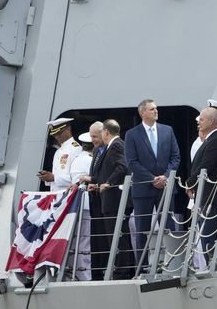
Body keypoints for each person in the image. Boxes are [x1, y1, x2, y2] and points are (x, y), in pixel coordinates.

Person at [124, 99, 181, 268]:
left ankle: (173, 263)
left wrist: (165, 176)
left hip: (165, 185)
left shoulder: (167, 131)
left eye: (156, 108)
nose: (156, 111)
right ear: (142, 113)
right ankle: (142, 266)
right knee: (142, 229)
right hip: (143, 187)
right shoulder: (132, 134)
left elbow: (175, 157)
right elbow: (132, 162)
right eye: (151, 109)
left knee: (169, 226)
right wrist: (152, 178)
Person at [37, 118, 91, 280]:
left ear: (67, 130)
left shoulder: (75, 149)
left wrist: (54, 177)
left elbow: (75, 179)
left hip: (73, 200)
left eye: (59, 133)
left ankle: (82, 275)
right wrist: (50, 178)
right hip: (61, 202)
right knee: (64, 241)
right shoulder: (59, 151)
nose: (56, 137)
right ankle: (68, 274)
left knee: (78, 241)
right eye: (55, 134)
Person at [82, 120, 133, 279]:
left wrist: (108, 183)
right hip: (110, 199)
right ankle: (125, 269)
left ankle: (122, 271)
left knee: (118, 236)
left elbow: (122, 167)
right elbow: (108, 170)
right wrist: (96, 183)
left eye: (96, 135)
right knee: (118, 236)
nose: (93, 140)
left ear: (105, 132)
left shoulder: (116, 145)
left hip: (115, 199)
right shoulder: (109, 147)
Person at [186, 108, 217, 269]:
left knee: (209, 234)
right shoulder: (211, 139)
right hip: (204, 194)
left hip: (211, 196)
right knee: (205, 233)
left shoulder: (216, 140)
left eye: (201, 119)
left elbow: (206, 166)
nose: (198, 122)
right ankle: (211, 265)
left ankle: (213, 266)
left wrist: (190, 183)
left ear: (210, 122)